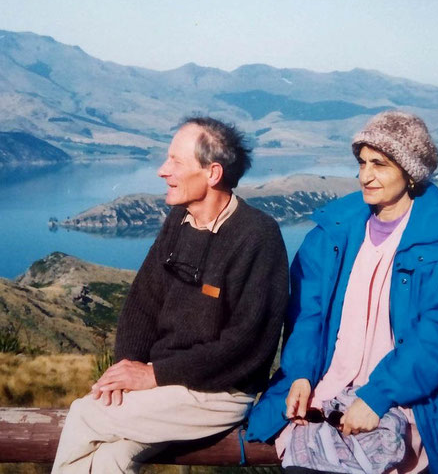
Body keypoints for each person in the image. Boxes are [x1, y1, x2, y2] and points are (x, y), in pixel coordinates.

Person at [246, 111, 438, 474]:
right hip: (327, 386)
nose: (365, 175)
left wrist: (376, 397)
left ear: (411, 173)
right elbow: (305, 318)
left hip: (405, 399)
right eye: (362, 162)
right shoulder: (328, 238)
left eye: (381, 164)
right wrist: (300, 375)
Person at [51, 116, 289, 474]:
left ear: (213, 173)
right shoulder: (178, 220)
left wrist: (152, 375)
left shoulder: (258, 236)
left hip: (218, 393)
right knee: (111, 459)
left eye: (176, 161)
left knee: (86, 414)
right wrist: (125, 370)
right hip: (166, 384)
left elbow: (245, 343)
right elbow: (143, 302)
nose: (163, 171)